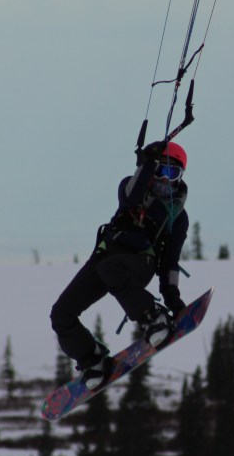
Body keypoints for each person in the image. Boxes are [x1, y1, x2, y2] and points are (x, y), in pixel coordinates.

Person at [50, 140, 190, 389]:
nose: (165, 180)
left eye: (173, 173)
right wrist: (147, 163)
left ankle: (152, 317)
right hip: (106, 256)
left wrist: (173, 299)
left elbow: (170, 261)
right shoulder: (130, 187)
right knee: (61, 314)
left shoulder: (177, 215)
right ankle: (92, 360)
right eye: (162, 170)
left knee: (110, 268)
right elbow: (130, 199)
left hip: (140, 262)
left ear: (180, 177)